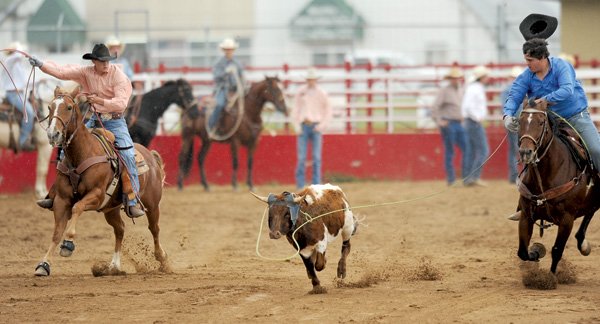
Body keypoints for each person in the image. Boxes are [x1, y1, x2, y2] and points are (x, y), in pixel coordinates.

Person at [29, 43, 145, 218]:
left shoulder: (119, 77)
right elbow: (61, 71)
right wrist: (40, 65)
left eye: (107, 61)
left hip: (115, 121)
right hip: (94, 119)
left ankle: (132, 200)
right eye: (101, 61)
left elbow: (121, 103)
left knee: (128, 155)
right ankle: (55, 193)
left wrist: (99, 100)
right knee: (66, 148)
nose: (105, 64)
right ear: (94, 62)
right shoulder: (85, 72)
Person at [503, 38, 600, 221]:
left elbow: (567, 90)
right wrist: (507, 115)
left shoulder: (562, 67)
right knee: (530, 149)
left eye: (530, 60)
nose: (528, 64)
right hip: (547, 120)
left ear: (542, 58)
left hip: (575, 116)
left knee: (596, 149)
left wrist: (544, 99)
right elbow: (514, 95)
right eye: (526, 60)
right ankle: (524, 202)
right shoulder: (526, 76)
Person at [291, 67, 332, 189]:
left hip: (316, 126)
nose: (311, 81)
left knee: (316, 157)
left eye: (312, 79)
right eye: (309, 79)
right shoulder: (301, 92)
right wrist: (297, 125)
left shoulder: (322, 93)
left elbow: (328, 111)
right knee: (302, 157)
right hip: (304, 125)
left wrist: (321, 126)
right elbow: (296, 109)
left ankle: (316, 184)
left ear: (315, 80)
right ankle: (300, 184)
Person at [430, 66, 470, 186]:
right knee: (450, 151)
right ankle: (452, 179)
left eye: (457, 78)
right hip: (449, 123)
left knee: (466, 149)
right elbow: (435, 107)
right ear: (450, 79)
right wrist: (439, 121)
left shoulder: (460, 90)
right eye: (453, 78)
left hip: (458, 123)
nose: (456, 80)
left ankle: (465, 177)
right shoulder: (444, 91)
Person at [1, 41, 36, 151]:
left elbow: (25, 82)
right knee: (29, 113)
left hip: (19, 94)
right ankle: (21, 141)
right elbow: (18, 55)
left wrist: (40, 81)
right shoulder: (9, 61)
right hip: (13, 95)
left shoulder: (17, 65)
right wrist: (20, 49)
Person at [462, 65, 490, 187]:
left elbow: (466, 106)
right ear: (482, 77)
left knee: (472, 150)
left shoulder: (473, 87)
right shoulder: (475, 88)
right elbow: (468, 106)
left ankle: (468, 178)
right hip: (474, 122)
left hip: (471, 121)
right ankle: (474, 177)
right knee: (483, 150)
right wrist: (477, 117)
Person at [208, 38, 245, 134]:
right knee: (219, 105)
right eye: (227, 49)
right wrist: (225, 72)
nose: (229, 51)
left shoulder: (238, 63)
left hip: (236, 90)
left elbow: (242, 77)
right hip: (222, 89)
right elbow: (216, 77)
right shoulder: (219, 63)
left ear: (233, 50)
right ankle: (211, 127)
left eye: (230, 49)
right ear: (223, 50)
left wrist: (243, 85)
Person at [500, 66, 523, 184]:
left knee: (514, 149)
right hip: (518, 122)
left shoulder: (506, 89)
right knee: (517, 149)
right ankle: (517, 175)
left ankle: (514, 176)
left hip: (513, 122)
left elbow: (504, 107)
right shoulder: (520, 88)